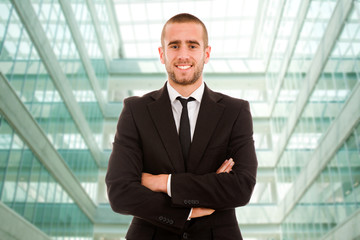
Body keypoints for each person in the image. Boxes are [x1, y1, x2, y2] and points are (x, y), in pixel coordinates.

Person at [106, 13, 257, 240]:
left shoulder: (236, 111)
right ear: (162, 54)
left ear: (206, 53)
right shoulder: (135, 111)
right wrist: (187, 210)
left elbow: (241, 186)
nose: (183, 55)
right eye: (174, 46)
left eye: (192, 45)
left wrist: (161, 182)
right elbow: (120, 192)